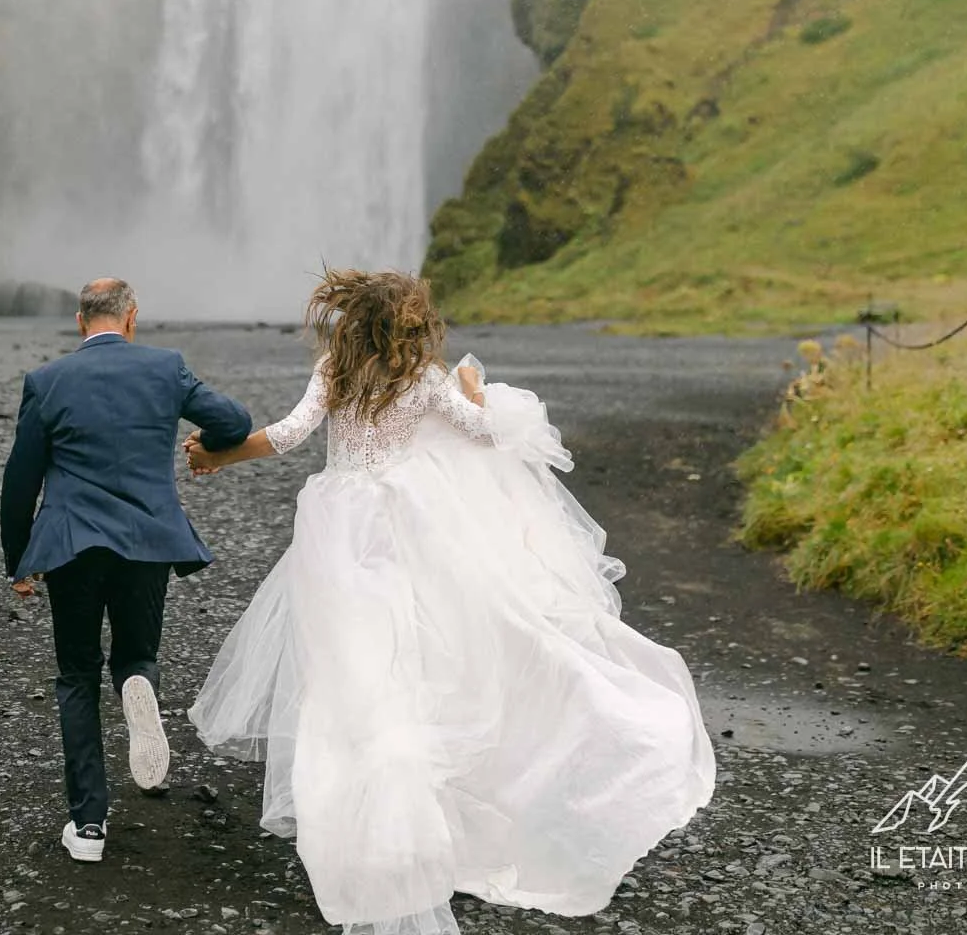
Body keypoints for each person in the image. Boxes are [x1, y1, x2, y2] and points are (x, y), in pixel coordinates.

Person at [183, 270, 715, 934]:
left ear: (355, 320)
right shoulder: (425, 379)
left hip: (338, 521)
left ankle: (362, 819)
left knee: (349, 665)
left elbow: (289, 434)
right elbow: (487, 434)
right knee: (419, 653)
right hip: (404, 520)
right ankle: (419, 815)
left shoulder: (335, 369)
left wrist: (219, 456)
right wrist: (473, 388)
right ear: (409, 324)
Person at [0, 277, 254, 864]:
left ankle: (89, 826)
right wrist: (206, 444)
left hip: (72, 545)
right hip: (147, 540)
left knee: (76, 674)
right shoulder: (164, 368)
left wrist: (20, 560)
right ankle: (137, 683)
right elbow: (235, 421)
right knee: (136, 654)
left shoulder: (48, 380)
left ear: (79, 321)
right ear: (132, 318)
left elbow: (20, 480)